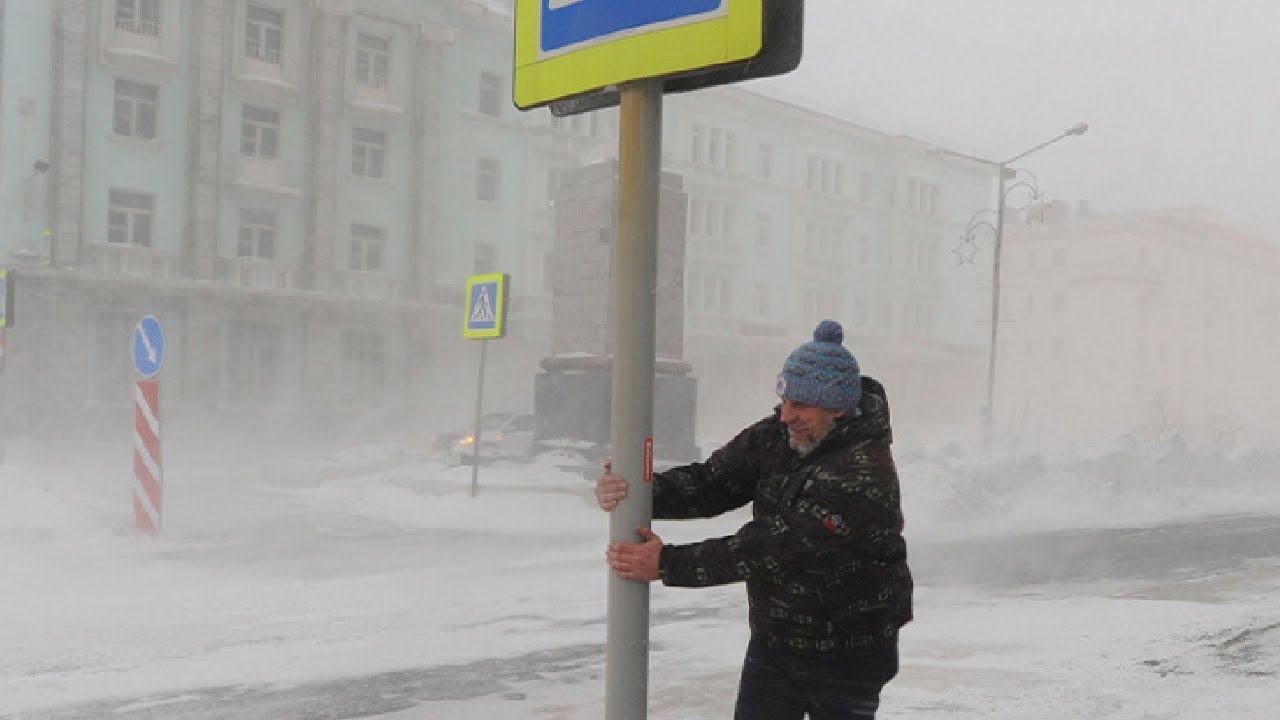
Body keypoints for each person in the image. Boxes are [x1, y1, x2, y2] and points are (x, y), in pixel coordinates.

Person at [596, 319, 912, 720]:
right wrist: (639, 492)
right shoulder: (777, 437)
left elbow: (776, 547)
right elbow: (713, 482)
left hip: (850, 651)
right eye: (784, 401)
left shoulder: (864, 470)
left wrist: (667, 564)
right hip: (777, 641)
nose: (786, 416)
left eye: (801, 405)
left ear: (839, 408)